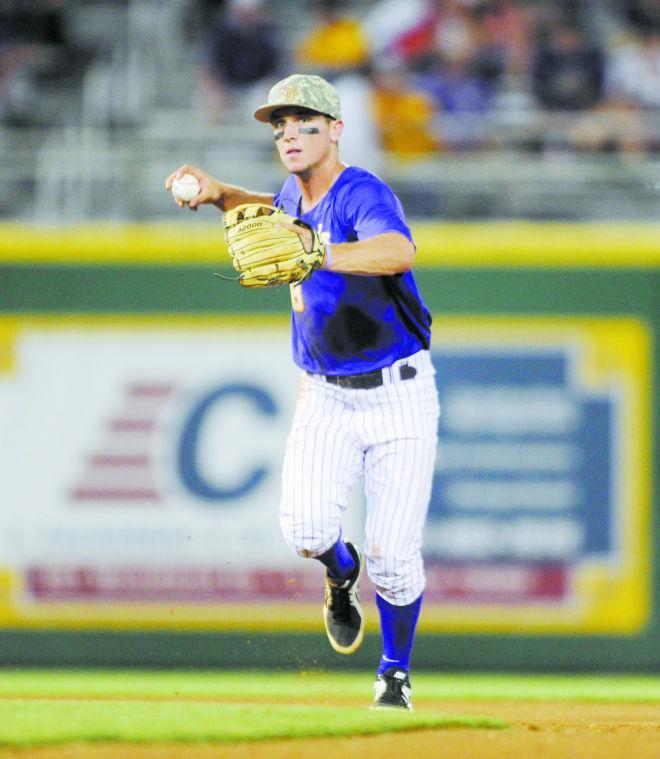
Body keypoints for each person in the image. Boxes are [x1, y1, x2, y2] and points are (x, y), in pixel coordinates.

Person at [165, 73, 440, 710]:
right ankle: (341, 577)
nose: (287, 134)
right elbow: (278, 209)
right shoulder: (293, 192)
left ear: (336, 129)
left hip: (398, 395)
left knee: (395, 558)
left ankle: (394, 673)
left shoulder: (362, 191)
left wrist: (319, 250)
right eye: (278, 125)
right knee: (307, 530)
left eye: (303, 122)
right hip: (325, 394)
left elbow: (398, 250)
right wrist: (219, 195)